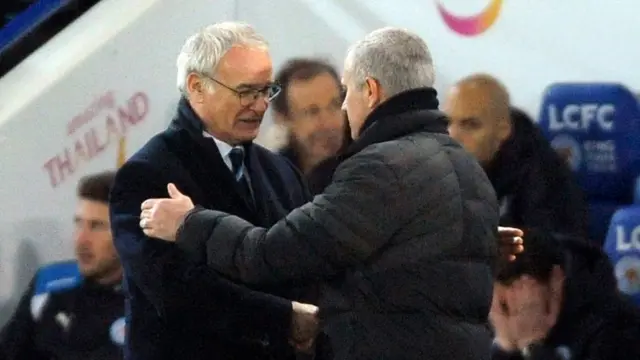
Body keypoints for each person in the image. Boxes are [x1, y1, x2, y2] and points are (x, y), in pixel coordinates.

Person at [139, 27, 501, 360]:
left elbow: (271, 253)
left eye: (345, 93)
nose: (342, 110)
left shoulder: (380, 168)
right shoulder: (466, 165)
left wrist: (190, 222)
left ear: (371, 91)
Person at [109, 22, 320, 360]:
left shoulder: (280, 171)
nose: (261, 105)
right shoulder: (146, 174)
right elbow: (176, 288)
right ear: (197, 86)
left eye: (267, 90)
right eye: (246, 91)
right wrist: (284, 318)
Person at [443, 74, 589, 239]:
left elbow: (556, 254)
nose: (452, 136)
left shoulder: (544, 180)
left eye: (471, 125)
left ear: (503, 130)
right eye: (447, 123)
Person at [0, 171, 124, 360]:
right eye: (78, 224)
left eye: (97, 226)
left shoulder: (159, 305)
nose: (81, 240)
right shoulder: (50, 284)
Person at [490, 229, 640, 360]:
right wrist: (506, 350)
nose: (497, 316)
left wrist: (532, 346)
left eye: (505, 306)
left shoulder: (619, 332)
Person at [268, 58, 350, 182]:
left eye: (335, 105)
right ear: (284, 119)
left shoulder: (368, 163)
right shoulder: (272, 178)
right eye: (312, 112)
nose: (328, 123)